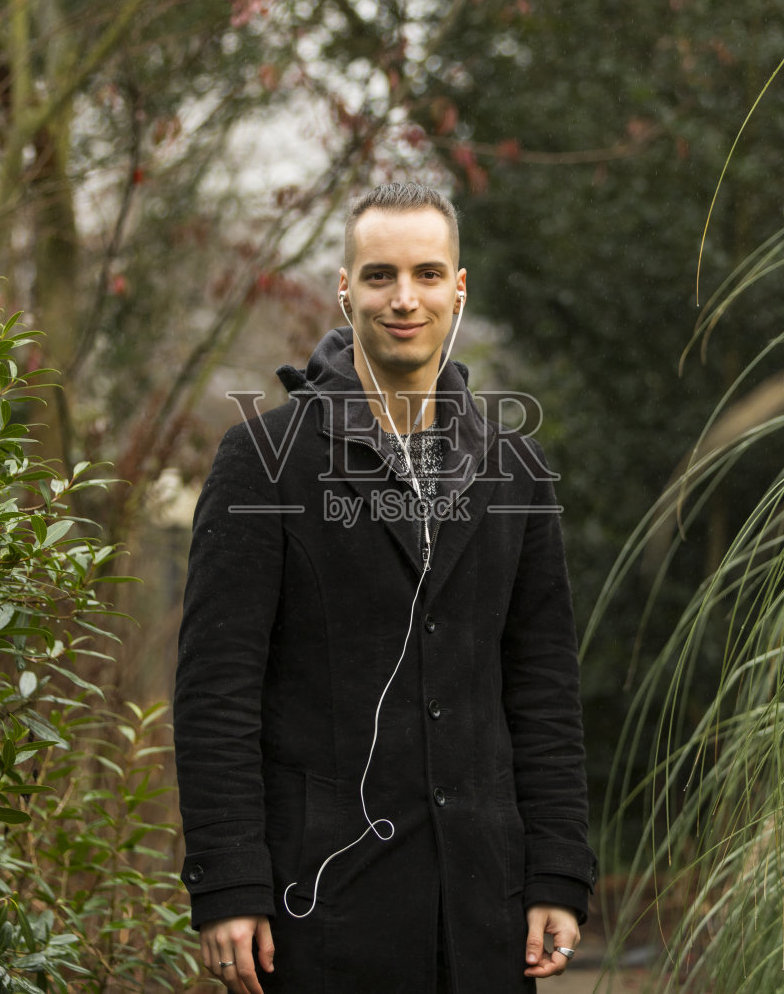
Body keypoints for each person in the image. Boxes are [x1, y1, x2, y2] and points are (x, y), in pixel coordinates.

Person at [173, 183, 595, 994]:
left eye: (428, 274)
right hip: (322, 913)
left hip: (484, 915)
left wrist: (558, 872)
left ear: (458, 289)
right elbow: (216, 692)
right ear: (345, 288)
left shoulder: (516, 471)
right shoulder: (262, 462)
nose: (405, 298)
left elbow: (543, 689)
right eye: (380, 276)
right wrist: (228, 882)